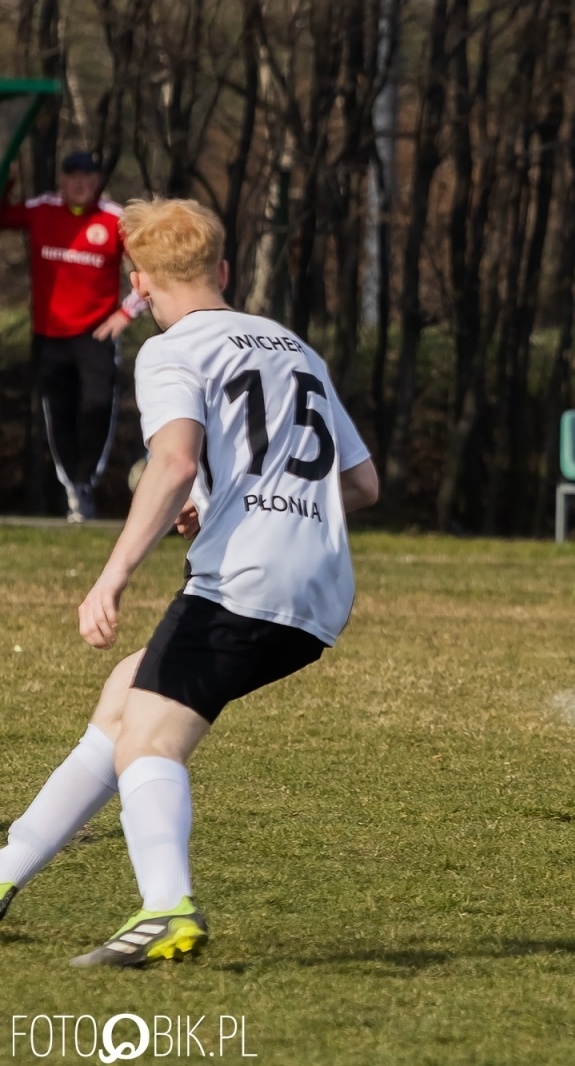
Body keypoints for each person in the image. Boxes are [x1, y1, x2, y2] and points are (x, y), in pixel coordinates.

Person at [0, 197, 379, 967]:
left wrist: (112, 575)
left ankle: (166, 909)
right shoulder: (295, 346)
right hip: (320, 588)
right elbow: (363, 482)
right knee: (124, 698)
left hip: (245, 580)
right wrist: (226, 505)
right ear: (224, 271)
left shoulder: (172, 351)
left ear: (137, 284)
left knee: (149, 739)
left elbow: (173, 462)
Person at [1, 152, 147, 521]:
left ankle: (87, 481)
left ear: (97, 181)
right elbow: (3, 216)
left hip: (96, 335)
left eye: (87, 176)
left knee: (96, 407)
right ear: (61, 180)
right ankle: (73, 490)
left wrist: (126, 312)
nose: (79, 183)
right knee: (58, 411)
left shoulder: (114, 219)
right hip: (49, 335)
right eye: (72, 175)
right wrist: (8, 179)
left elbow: (152, 269)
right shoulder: (41, 209)